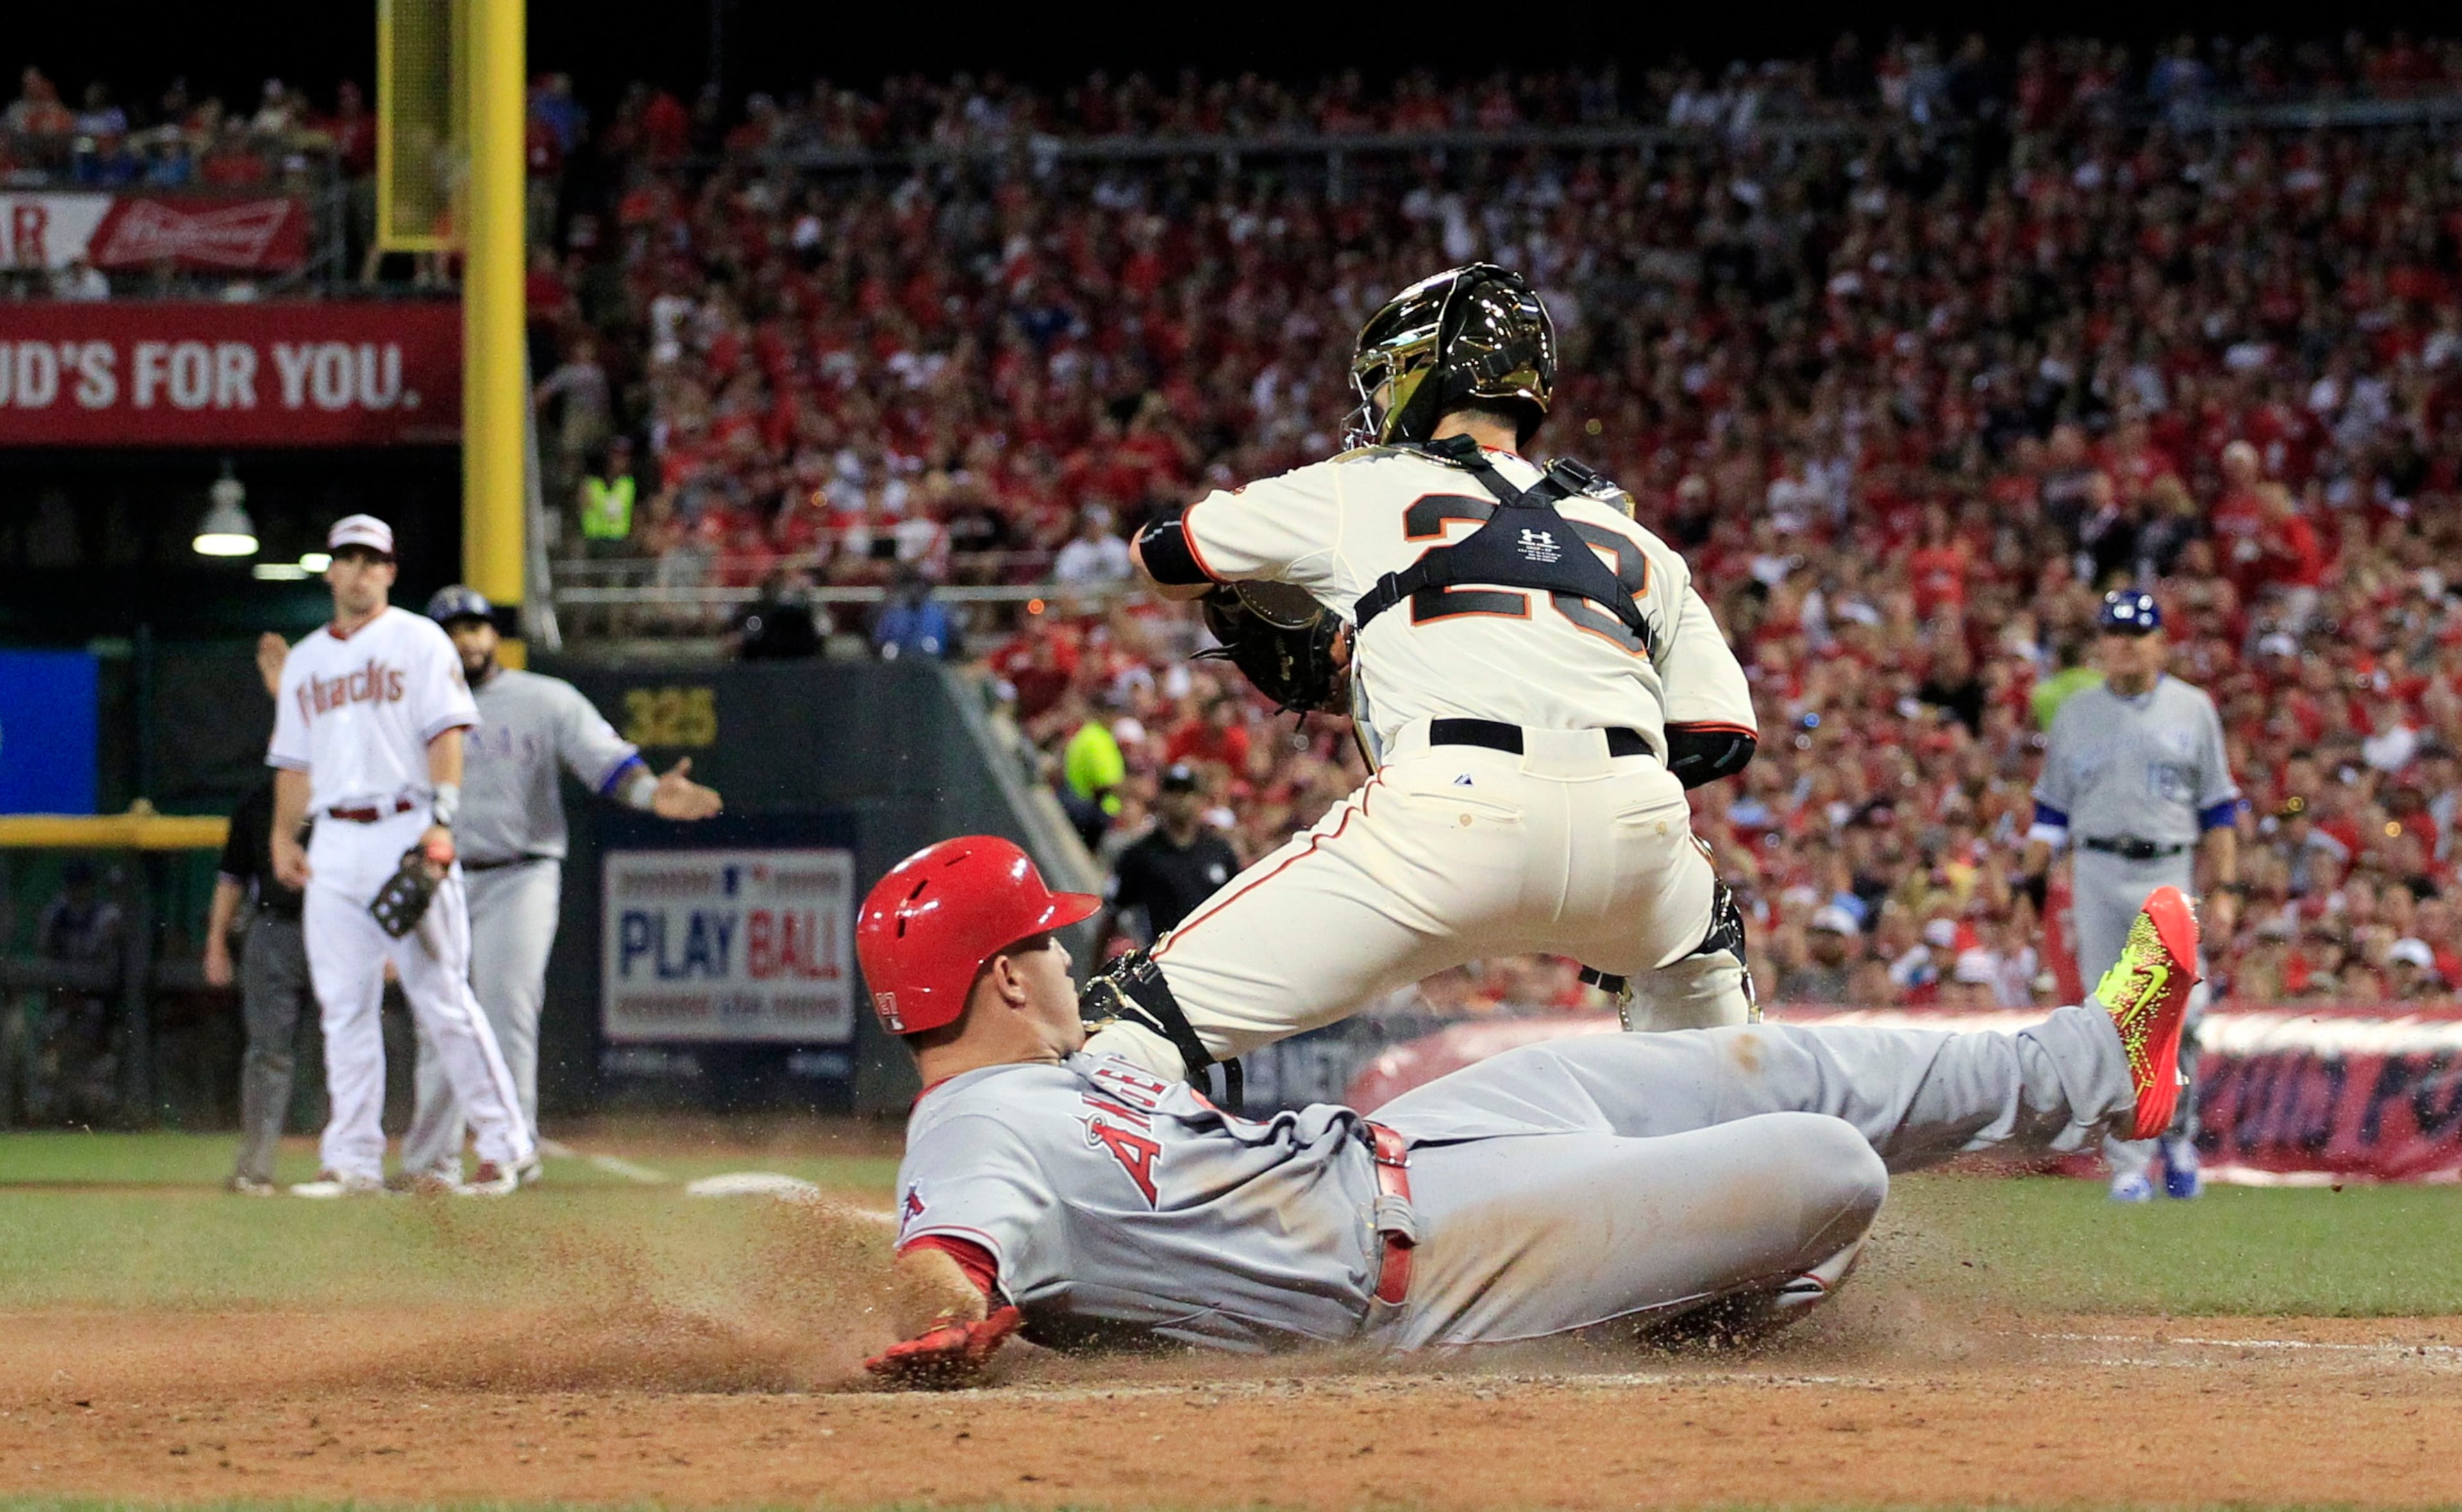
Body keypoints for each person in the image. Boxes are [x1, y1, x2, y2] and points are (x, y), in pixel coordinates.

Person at [851, 836, 2200, 1381]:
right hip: (1426, 1274)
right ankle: (1700, 1301)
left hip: (1424, 1146)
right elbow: (947, 1250)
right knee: (1829, 1167)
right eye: (1044, 943)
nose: (1067, 957)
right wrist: (945, 1316)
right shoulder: (977, 1126)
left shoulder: (1066, 1071)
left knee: (1765, 1065)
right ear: (1003, 977)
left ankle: (2097, 1064)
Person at [1086, 264, 1761, 1095]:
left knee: (1137, 1020)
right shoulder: (1632, 533)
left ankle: (1094, 1195)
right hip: (1638, 833)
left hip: (1444, 817)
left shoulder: (1358, 486)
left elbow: (1164, 550)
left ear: (1419, 370)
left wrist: (1359, 634)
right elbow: (1718, 737)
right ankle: (1746, 1174)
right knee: (1703, 976)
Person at [398, 586, 724, 1189]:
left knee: (505, 1005)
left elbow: (609, 764)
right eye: (452, 628)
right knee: (438, 1019)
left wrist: (654, 794)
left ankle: (509, 1151)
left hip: (522, 873)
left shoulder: (543, 698)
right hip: (441, 877)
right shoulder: (412, 708)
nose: (467, 638)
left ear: (494, 634)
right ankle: (430, 1163)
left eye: (476, 625)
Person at [265, 515, 535, 1197]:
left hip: (405, 826)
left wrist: (441, 824)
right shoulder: (306, 660)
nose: (357, 570)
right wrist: (282, 836)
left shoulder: (418, 638)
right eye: (346, 558)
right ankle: (352, 1160)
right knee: (344, 1007)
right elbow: (294, 764)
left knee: (443, 998)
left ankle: (506, 1147)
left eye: (371, 559)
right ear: (329, 569)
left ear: (390, 569)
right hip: (333, 840)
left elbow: (446, 735)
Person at [2021, 588, 2241, 1202]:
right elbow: (2050, 813)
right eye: (2114, 632)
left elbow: (2219, 808)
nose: (2123, 644)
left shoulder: (2193, 708)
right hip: (2095, 870)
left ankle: (2177, 1134)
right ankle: (2128, 1160)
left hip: (2169, 867)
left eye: (2136, 633)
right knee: (2115, 1019)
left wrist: (2221, 889)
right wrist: (2030, 884)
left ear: (2160, 643)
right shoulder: (2076, 713)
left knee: (2185, 1018)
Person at [206, 633, 315, 1195]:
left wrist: (290, 692)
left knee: (353, 1043)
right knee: (268, 1051)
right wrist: (216, 943)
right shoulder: (255, 804)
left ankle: (353, 1161)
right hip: (273, 927)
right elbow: (231, 879)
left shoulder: (338, 792)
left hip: (337, 927)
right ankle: (257, 1165)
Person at [1091, 765, 1239, 954]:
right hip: (1160, 961)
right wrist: (1095, 966)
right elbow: (1112, 913)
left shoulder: (1220, 852)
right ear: (1161, 798)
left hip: (1210, 959)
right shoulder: (1141, 854)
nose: (1180, 800)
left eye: (1187, 792)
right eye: (1173, 792)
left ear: (1202, 800)